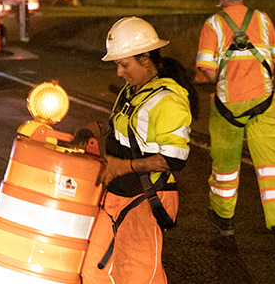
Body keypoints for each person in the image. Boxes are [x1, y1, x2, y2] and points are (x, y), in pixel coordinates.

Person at [79, 16, 199, 284]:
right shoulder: (133, 90)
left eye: (123, 64)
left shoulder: (168, 101)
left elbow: (174, 159)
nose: (119, 72)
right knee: (92, 270)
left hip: (144, 197)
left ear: (144, 57)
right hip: (117, 195)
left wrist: (124, 166)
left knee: (138, 276)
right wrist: (94, 128)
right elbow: (123, 124)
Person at [195, 0, 275, 254]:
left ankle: (225, 222)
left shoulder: (212, 24)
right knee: (273, 168)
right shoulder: (263, 19)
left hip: (228, 109)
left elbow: (207, 72)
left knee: (225, 168)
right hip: (265, 104)